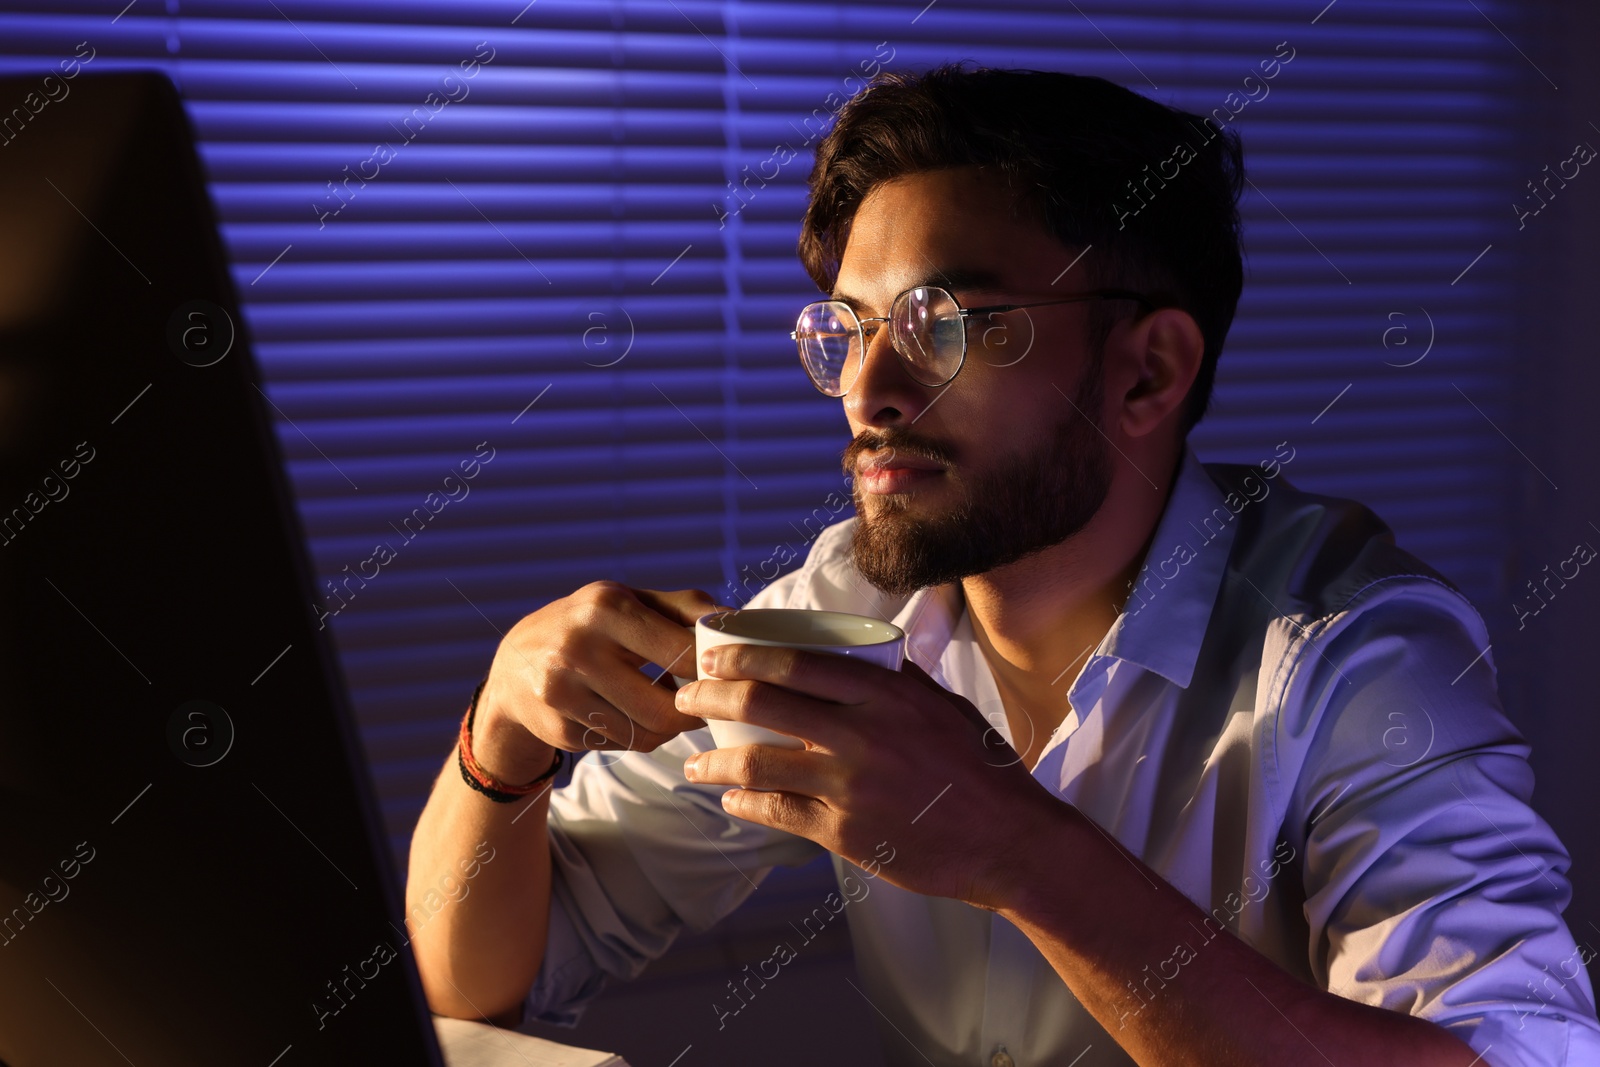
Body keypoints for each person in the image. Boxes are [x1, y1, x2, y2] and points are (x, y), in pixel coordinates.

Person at [405, 65, 1600, 1066]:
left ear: (1146, 372)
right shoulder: (853, 604)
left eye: (941, 325)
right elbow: (482, 985)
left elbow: (1514, 1053)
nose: (866, 393)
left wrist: (1019, 848)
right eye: (850, 329)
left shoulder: (1355, 650)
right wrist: (498, 746)